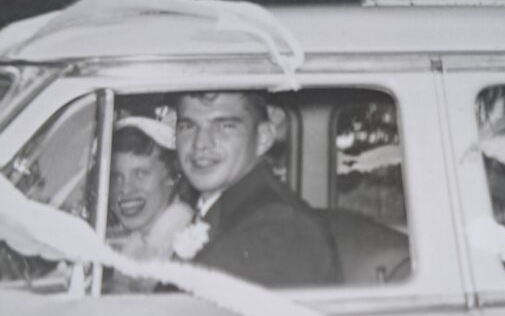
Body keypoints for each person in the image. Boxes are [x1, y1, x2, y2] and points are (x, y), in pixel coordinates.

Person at [174, 90, 340, 287]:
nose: (200, 143)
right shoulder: (220, 209)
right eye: (188, 126)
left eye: (224, 126)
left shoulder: (278, 232)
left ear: (263, 138)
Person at [108, 115, 194, 290]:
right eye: (116, 177)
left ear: (172, 175)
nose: (125, 189)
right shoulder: (138, 242)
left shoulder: (186, 247)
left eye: (140, 173)